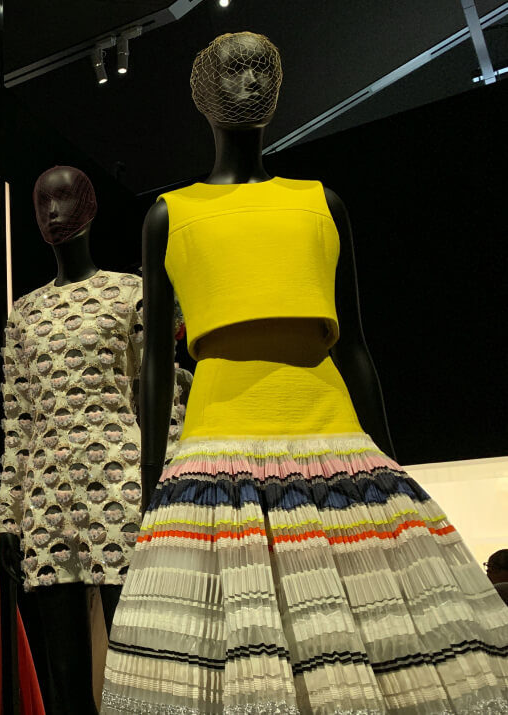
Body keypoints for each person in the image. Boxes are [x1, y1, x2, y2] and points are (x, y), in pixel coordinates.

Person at [101, 32, 508, 714]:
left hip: (333, 439)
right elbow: (154, 368)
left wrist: (393, 466)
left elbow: (355, 348)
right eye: (233, 69)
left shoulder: (323, 203)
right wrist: (150, 483)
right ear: (201, 91)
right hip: (218, 446)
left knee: (367, 643)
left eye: (262, 67)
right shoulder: (168, 214)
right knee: (238, 646)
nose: (249, 82)